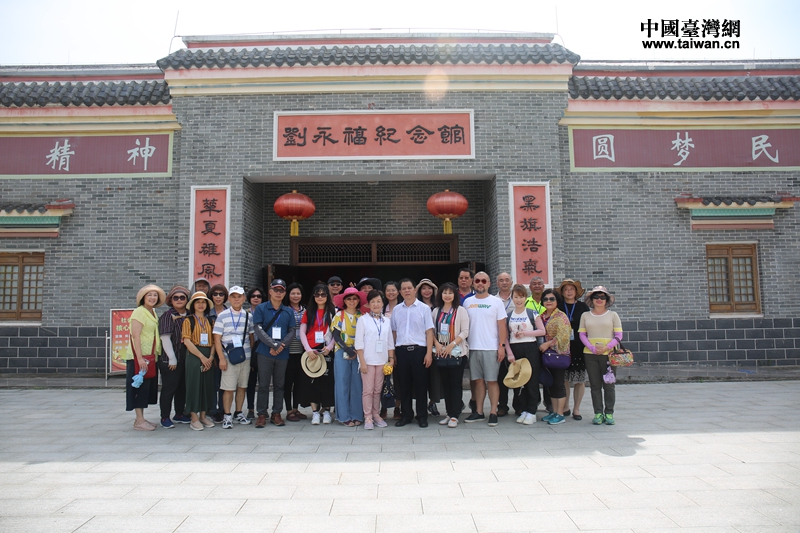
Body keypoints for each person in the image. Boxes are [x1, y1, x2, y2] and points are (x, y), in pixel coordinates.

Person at [463, 272, 508, 427]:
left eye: (483, 280)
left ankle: (493, 412)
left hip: (491, 348)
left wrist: (501, 346)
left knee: (492, 381)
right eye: (477, 280)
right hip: (473, 347)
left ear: (489, 283)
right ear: (473, 283)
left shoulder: (496, 302)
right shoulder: (467, 302)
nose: (480, 283)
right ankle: (479, 412)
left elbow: (502, 326)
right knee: (478, 381)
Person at [253, 279, 297, 428]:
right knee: (263, 384)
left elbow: (292, 330)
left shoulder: (288, 311)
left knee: (279, 384)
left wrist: (281, 345)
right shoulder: (261, 308)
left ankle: (276, 413)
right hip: (265, 352)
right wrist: (273, 344)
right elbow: (258, 329)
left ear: (284, 293)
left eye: (281, 291)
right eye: (276, 290)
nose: (278, 293)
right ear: (270, 291)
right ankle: (262, 414)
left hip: (282, 353)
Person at [391, 278, 434, 428]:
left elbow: (429, 332)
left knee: (421, 385)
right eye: (404, 288)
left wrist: (429, 353)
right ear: (400, 292)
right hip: (401, 351)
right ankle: (406, 415)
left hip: (419, 351)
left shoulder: (424, 308)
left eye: (409, 288)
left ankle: (422, 416)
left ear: (415, 289)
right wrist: (393, 354)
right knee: (404, 385)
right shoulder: (396, 310)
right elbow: (394, 332)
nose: (407, 291)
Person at [579, 286, 623, 425]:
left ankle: (609, 413)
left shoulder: (613, 315)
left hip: (609, 355)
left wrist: (607, 347)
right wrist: (592, 348)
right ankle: (598, 413)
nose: (599, 299)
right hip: (590, 354)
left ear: (606, 300)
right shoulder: (585, 315)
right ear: (591, 299)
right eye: (596, 297)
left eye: (602, 297)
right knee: (595, 385)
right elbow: (582, 334)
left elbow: (618, 335)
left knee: (609, 385)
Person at [213, 285, 255, 429]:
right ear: (229, 299)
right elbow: (217, 339)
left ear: (244, 298)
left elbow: (251, 337)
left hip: (245, 357)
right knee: (228, 388)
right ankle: (227, 415)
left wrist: (251, 355)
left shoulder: (248, 316)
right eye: (233, 297)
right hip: (228, 357)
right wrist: (221, 358)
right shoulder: (222, 316)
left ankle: (238, 412)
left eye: (239, 297)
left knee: (242, 387)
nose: (236, 299)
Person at [505, 284, 546, 425]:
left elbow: (542, 331)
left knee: (531, 380)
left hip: (530, 348)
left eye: (521, 296)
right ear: (512, 298)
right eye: (516, 297)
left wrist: (525, 333)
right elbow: (505, 336)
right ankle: (522, 409)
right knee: (518, 380)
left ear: (526, 298)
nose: (518, 300)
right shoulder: (509, 315)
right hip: (515, 349)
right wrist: (509, 353)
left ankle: (532, 411)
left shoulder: (532, 313)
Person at [127, 284, 165, 431]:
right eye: (149, 295)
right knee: (139, 387)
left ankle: (141, 418)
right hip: (140, 358)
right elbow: (135, 336)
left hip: (150, 357)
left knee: (145, 389)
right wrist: (140, 358)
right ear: (143, 297)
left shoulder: (152, 312)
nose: (153, 298)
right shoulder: (139, 312)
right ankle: (139, 420)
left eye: (155, 295)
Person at [355, 289, 395, 430]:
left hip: (382, 361)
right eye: (373, 302)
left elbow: (390, 342)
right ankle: (368, 416)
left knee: (378, 390)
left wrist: (391, 359)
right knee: (368, 390)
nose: (376, 304)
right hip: (367, 360)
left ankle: (376, 414)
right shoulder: (363, 320)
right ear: (368, 304)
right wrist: (362, 362)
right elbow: (359, 343)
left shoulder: (386, 321)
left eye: (378, 301)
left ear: (383, 303)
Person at [431, 282, 470, 428]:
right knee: (445, 385)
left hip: (457, 352)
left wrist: (451, 345)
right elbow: (431, 331)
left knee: (455, 384)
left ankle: (455, 415)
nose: (447, 295)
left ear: (455, 295)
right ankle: (449, 413)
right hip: (441, 352)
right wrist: (437, 344)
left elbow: (465, 331)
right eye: (444, 292)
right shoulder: (436, 311)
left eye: (450, 293)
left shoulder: (461, 310)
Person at [298, 283, 336, 425]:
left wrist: (330, 347)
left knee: (327, 382)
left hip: (326, 350)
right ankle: (315, 412)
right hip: (311, 351)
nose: (320, 297)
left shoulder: (333, 312)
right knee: (312, 381)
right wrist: (308, 349)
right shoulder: (308, 312)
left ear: (327, 296)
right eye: (317, 294)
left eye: (323, 294)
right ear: (313, 296)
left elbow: (337, 333)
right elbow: (302, 332)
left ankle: (326, 411)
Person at [182, 291, 216, 431]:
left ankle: (203, 415)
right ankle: (194, 417)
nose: (201, 305)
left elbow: (214, 341)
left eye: (203, 302)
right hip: (194, 355)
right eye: (198, 302)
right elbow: (187, 341)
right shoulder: (188, 320)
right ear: (193, 305)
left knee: (206, 386)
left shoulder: (210, 321)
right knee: (193, 385)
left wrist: (211, 357)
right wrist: (202, 357)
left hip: (208, 354)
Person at [157, 285, 191, 428]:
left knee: (182, 388)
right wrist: (172, 358)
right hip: (170, 359)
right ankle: (165, 416)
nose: (179, 300)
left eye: (182, 297)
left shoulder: (189, 314)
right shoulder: (167, 316)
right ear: (171, 300)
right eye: (175, 298)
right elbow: (165, 338)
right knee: (169, 388)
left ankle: (179, 413)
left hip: (185, 358)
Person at [331, 287, 366, 426]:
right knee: (342, 383)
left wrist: (355, 350)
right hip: (342, 351)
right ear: (344, 301)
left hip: (358, 352)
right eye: (349, 299)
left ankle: (357, 415)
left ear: (358, 300)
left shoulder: (362, 316)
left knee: (357, 384)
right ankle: (344, 416)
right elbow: (336, 335)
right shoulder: (339, 315)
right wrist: (347, 349)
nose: (352, 301)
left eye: (354, 298)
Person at [557, 279, 590, 421]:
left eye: (572, 289)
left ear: (576, 292)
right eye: (566, 289)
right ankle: (565, 406)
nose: (569, 292)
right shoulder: (558, 306)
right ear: (562, 292)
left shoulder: (583, 307)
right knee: (564, 378)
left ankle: (577, 409)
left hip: (579, 346)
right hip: (563, 346)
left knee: (579, 380)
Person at [538, 288, 572, 425]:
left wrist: (548, 344)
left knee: (558, 383)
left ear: (557, 301)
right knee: (550, 384)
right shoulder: (542, 316)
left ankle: (560, 413)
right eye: (545, 299)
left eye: (552, 299)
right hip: (545, 355)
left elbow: (564, 335)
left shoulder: (561, 317)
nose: (548, 301)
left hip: (558, 354)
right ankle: (553, 411)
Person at [416, 278, 441, 417]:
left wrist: (436, 343)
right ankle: (421, 406)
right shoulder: (416, 306)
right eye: (424, 288)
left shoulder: (438, 306)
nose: (427, 291)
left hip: (437, 346)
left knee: (434, 377)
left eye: (429, 288)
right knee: (421, 377)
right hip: (421, 345)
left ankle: (433, 402)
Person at [283, 282, 307, 422]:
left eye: (298, 293)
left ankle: (296, 408)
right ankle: (288, 410)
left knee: (299, 382)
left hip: (302, 351)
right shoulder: (284, 310)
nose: (296, 296)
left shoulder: (306, 310)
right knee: (288, 382)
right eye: (293, 293)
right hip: (287, 351)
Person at [496, 273, 518, 417]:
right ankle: (502, 405)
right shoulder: (493, 300)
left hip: (517, 341)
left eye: (507, 280)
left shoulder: (518, 298)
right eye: (501, 280)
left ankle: (518, 405)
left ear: (511, 282)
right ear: (497, 283)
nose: (504, 283)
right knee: (501, 375)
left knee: (517, 374)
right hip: (499, 342)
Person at [207, 283, 228, 423]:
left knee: (224, 384)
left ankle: (223, 409)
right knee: (213, 383)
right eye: (215, 294)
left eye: (221, 294)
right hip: (211, 352)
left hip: (228, 353)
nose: (218, 297)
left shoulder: (230, 312)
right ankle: (212, 409)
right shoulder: (207, 314)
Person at [381, 280, 401, 419]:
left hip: (399, 348)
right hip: (383, 349)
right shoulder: (381, 308)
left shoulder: (403, 307)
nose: (391, 293)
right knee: (383, 380)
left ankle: (397, 408)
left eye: (393, 290)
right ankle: (383, 407)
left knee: (399, 380)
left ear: (398, 292)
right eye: (388, 290)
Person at [244, 287, 264, 419]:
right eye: (253, 296)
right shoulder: (245, 313)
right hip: (250, 349)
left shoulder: (265, 312)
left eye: (259, 296)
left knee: (263, 381)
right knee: (250, 381)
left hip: (263, 347)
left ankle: (263, 410)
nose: (256, 298)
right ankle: (250, 408)